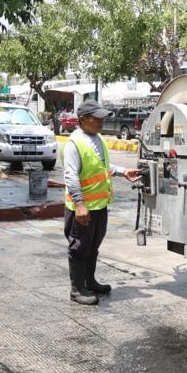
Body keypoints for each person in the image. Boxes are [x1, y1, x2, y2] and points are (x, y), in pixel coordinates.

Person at [63, 100, 141, 305]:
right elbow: (70, 176)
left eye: (102, 117)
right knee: (79, 247)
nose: (101, 121)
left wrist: (123, 172)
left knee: (93, 245)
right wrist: (80, 205)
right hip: (83, 207)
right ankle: (77, 289)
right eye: (96, 118)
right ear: (82, 120)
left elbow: (102, 167)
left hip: (99, 205)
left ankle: (90, 282)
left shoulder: (97, 138)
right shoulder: (74, 143)